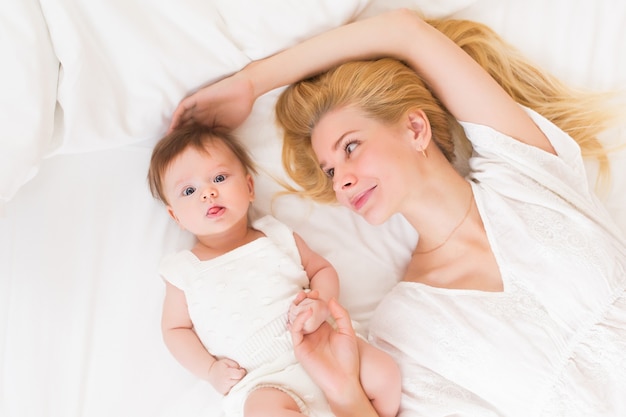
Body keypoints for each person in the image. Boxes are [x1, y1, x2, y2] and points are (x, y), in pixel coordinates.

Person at [166, 7, 626, 417]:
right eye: (329, 172)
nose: (341, 179)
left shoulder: (526, 174)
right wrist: (344, 388)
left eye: (351, 147)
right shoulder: (404, 328)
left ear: (414, 127)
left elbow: (406, 33)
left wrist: (252, 81)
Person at [146, 123, 401, 417]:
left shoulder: (275, 234)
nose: (208, 193)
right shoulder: (183, 271)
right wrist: (210, 370)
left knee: (384, 373)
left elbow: (321, 269)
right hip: (262, 380)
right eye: (189, 190)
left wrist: (321, 303)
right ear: (174, 215)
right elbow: (175, 330)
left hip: (325, 345)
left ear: (249, 187)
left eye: (219, 177)